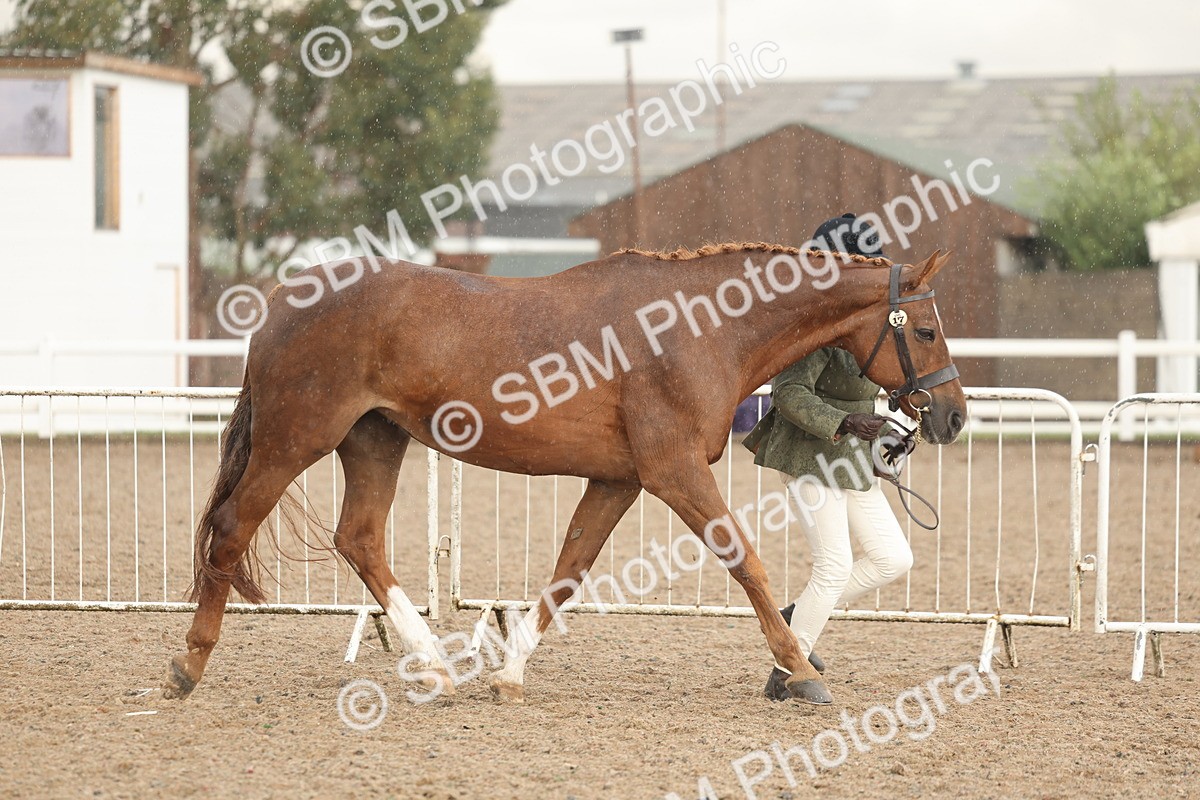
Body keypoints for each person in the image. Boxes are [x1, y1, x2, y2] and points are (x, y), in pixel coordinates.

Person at [742, 213, 915, 701]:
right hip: (808, 453)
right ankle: (790, 670)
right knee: (834, 564)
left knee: (893, 559)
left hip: (852, 456)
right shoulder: (811, 321)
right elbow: (790, 393)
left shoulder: (868, 318)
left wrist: (901, 407)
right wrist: (844, 422)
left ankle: (794, 621)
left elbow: (875, 375)